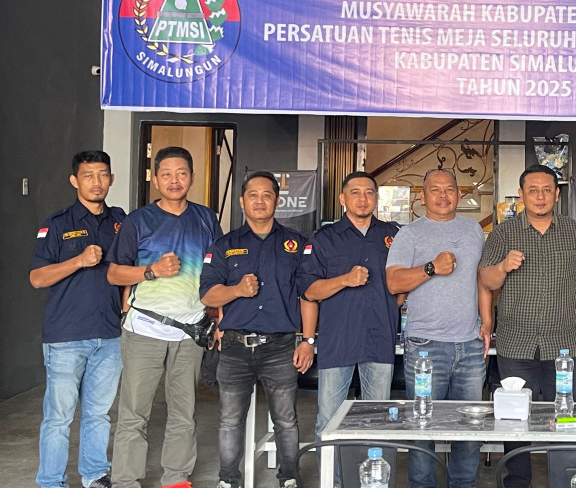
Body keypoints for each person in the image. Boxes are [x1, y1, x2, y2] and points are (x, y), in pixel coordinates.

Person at [106, 146, 223, 488]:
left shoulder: (206, 219)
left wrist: (220, 318)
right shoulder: (138, 220)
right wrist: (151, 271)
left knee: (184, 413)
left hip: (190, 333)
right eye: (167, 174)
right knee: (134, 413)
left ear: (192, 177)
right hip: (144, 329)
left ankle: (176, 478)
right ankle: (126, 481)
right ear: (155, 180)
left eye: (181, 173)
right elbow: (114, 274)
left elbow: (218, 272)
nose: (175, 180)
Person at [479, 163, 576, 488]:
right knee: (515, 420)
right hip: (516, 343)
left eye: (547, 190)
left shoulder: (575, 232)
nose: (540, 196)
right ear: (521, 194)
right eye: (533, 190)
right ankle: (518, 482)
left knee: (565, 416)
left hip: (564, 345)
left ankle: (566, 478)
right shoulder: (504, 233)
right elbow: (486, 280)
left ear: (557, 194)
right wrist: (503, 266)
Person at [200, 171, 318, 488]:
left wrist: (307, 340)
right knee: (230, 420)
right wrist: (237, 290)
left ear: (277, 201)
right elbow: (207, 295)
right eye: (253, 195)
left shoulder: (296, 244)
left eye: (267, 195)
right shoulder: (224, 245)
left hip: (280, 347)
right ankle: (228, 480)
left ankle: (289, 477)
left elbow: (309, 294)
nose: (260, 201)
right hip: (235, 347)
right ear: (242, 201)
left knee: (286, 419)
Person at [385, 168, 493, 488]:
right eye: (435, 189)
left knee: (469, 429)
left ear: (459, 194)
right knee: (423, 428)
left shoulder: (473, 229)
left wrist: (486, 322)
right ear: (423, 196)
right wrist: (432, 267)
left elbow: (481, 278)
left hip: (470, 345)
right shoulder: (410, 234)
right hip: (426, 346)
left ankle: (464, 484)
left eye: (449, 189)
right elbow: (393, 282)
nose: (443, 195)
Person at [29, 150, 128, 488]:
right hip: (66, 336)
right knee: (59, 417)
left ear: (111, 179)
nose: (96, 182)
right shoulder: (58, 224)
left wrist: (126, 309)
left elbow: (129, 269)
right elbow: (37, 278)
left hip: (110, 334)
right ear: (75, 181)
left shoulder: (121, 222)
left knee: (99, 413)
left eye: (102, 174)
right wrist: (78, 261)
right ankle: (51, 481)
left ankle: (94, 474)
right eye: (88, 175)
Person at [300, 171, 401, 474]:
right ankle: (332, 481)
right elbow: (309, 290)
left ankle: (373, 480)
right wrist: (344, 280)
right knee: (329, 420)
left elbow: (404, 281)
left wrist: (390, 306)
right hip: (338, 339)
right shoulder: (324, 239)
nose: (362, 198)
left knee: (378, 419)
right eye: (355, 192)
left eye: (369, 192)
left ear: (376, 198)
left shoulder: (393, 236)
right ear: (342, 198)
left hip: (379, 338)